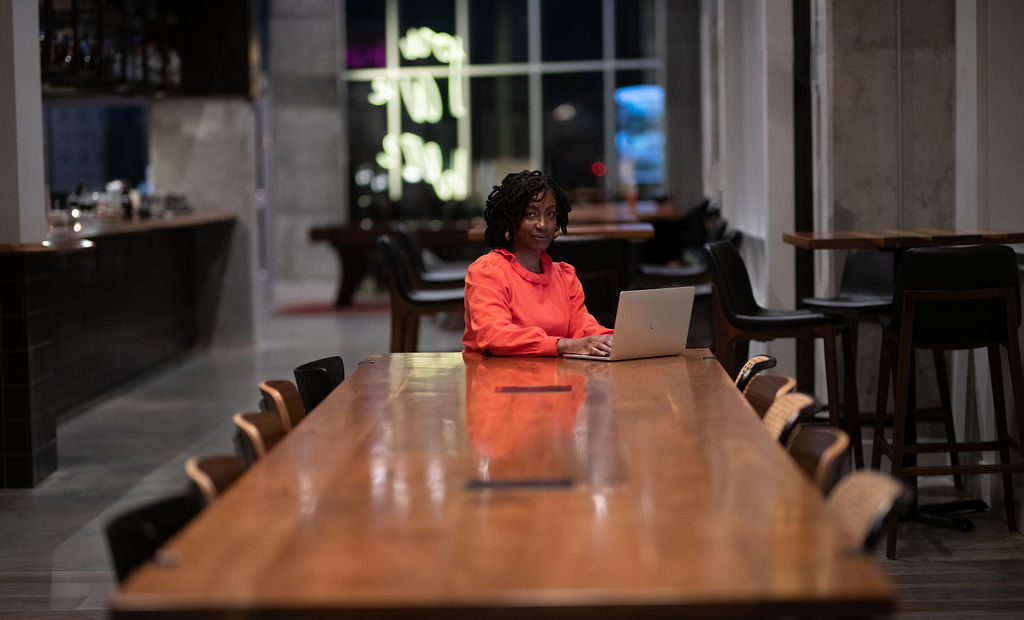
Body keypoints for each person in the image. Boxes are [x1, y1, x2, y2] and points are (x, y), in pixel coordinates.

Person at [462, 170, 614, 356]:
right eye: (531, 214)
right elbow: (494, 336)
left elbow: (583, 328)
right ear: (511, 219)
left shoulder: (565, 276)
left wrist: (613, 340)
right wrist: (563, 345)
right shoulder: (488, 271)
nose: (543, 224)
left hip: (556, 378)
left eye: (550, 214)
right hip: (495, 379)